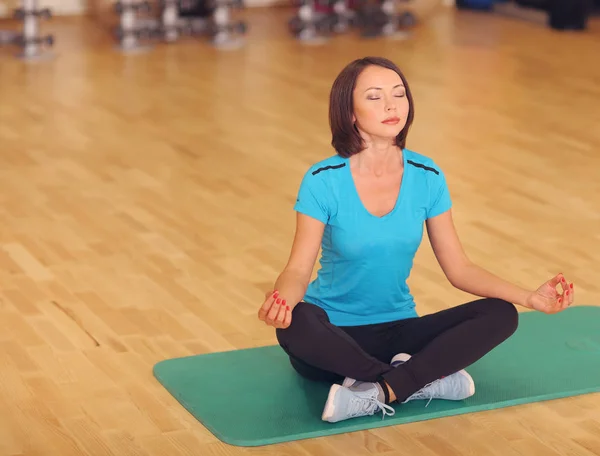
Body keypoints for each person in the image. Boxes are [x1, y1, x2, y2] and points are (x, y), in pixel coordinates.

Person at [257, 56, 575, 424]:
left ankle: (378, 391)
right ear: (349, 112)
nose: (392, 105)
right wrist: (282, 302)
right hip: (333, 335)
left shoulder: (427, 175)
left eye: (399, 94)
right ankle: (417, 380)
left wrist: (529, 298)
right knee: (296, 323)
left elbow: (460, 268)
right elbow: (298, 268)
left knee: (501, 313)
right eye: (375, 97)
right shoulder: (322, 178)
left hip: (400, 332)